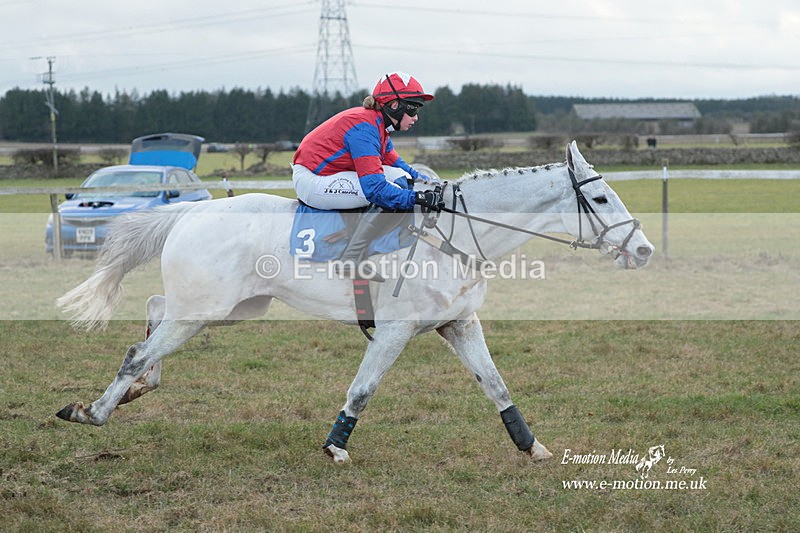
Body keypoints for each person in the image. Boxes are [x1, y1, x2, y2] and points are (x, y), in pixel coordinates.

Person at [292, 72, 444, 281]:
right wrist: (418, 198)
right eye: (413, 108)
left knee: (401, 177)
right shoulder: (365, 128)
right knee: (388, 192)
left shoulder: (379, 124)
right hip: (311, 180)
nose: (416, 117)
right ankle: (351, 258)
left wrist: (434, 184)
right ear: (394, 105)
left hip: (329, 172)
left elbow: (399, 165)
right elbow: (376, 189)